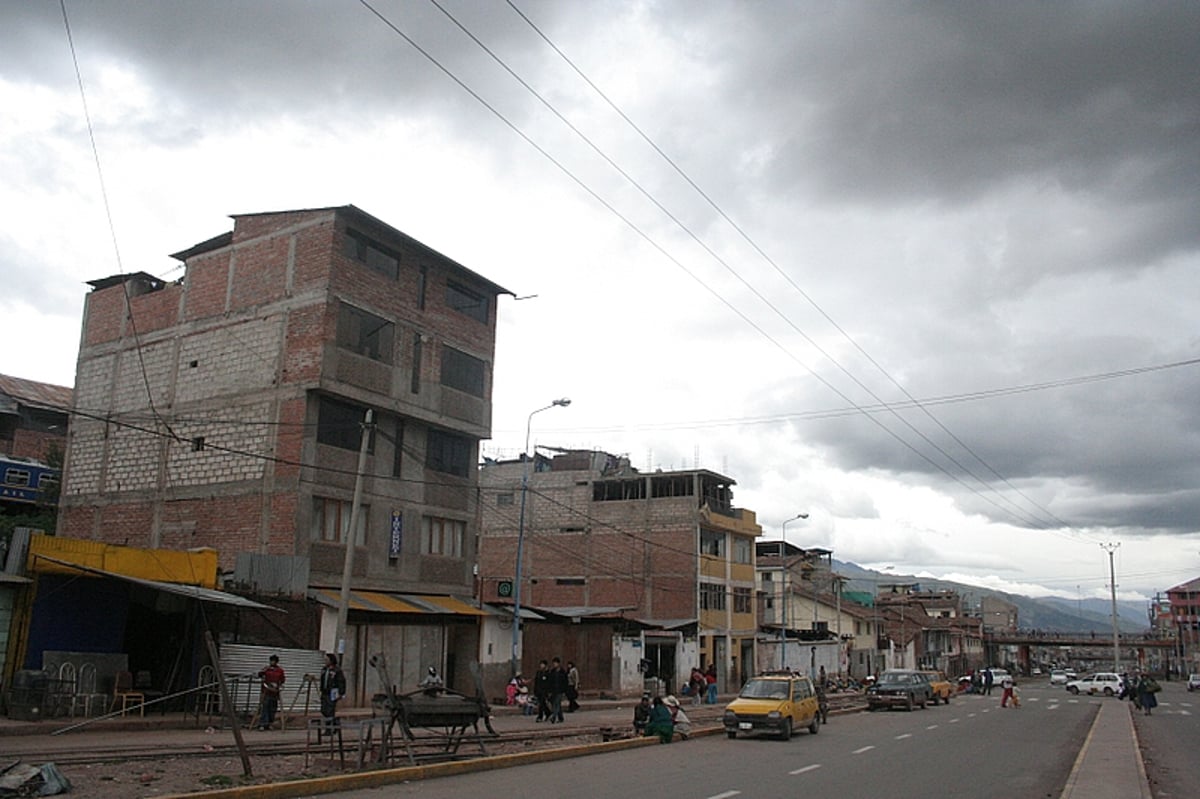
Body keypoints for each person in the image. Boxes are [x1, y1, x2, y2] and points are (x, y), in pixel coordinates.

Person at [257, 655, 285, 730]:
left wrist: (278, 686)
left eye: (274, 661)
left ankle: (269, 723)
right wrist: (262, 673)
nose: (272, 662)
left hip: (275, 692)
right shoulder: (266, 669)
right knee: (265, 707)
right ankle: (263, 723)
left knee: (272, 708)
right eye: (271, 661)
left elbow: (282, 680)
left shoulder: (280, 670)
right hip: (266, 691)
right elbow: (259, 674)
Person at [318, 652, 346, 728]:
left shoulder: (337, 670)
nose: (325, 661)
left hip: (332, 693)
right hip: (324, 692)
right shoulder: (324, 669)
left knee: (330, 710)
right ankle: (335, 723)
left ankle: (329, 728)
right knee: (323, 709)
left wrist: (341, 692)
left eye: (327, 660)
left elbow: (341, 681)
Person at [548, 657, 569, 723]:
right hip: (554, 690)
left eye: (556, 663)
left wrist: (565, 691)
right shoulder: (552, 671)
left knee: (556, 703)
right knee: (557, 704)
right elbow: (550, 681)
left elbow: (565, 682)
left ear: (558, 663)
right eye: (554, 663)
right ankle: (561, 717)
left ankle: (554, 717)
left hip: (560, 690)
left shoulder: (563, 672)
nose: (554, 664)